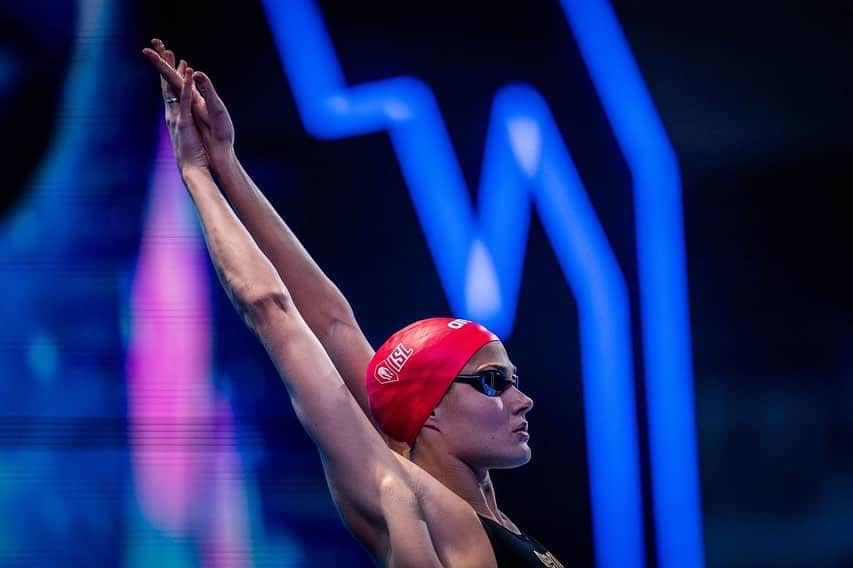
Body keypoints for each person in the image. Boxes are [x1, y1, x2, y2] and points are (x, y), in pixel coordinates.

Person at [142, 38, 565, 568]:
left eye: (511, 380)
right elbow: (274, 311)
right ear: (429, 410)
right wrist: (197, 175)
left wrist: (228, 164)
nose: (521, 400)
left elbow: (335, 322)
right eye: (492, 382)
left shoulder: (497, 524)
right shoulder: (406, 499)